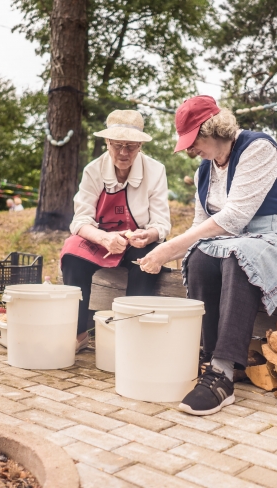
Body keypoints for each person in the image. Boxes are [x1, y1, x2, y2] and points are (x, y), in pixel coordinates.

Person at [138, 95, 277, 416]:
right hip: (237, 240)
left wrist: (167, 248)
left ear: (215, 130)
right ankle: (210, 355)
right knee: (201, 257)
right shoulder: (206, 172)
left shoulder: (258, 149)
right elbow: (200, 226)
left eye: (193, 142)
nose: (189, 151)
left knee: (235, 256)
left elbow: (233, 218)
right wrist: (181, 250)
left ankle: (221, 374)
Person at [60, 109, 171, 352]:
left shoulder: (155, 171)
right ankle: (78, 333)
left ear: (140, 145)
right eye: (117, 145)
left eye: (131, 146)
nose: (123, 153)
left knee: (149, 257)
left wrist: (147, 235)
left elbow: (161, 224)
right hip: (100, 238)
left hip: (137, 241)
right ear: (107, 142)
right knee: (71, 254)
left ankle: (132, 334)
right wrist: (103, 238)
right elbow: (79, 221)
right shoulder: (93, 170)